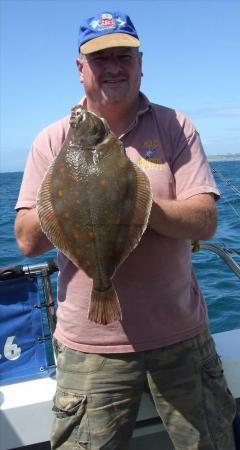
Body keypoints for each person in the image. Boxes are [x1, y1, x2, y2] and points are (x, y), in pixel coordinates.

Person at [15, 10, 237, 450]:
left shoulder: (177, 127)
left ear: (139, 63)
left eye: (123, 56)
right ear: (80, 70)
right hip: (89, 349)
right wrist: (69, 191)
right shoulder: (51, 142)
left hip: (180, 335)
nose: (113, 66)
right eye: (100, 59)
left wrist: (135, 204)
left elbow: (206, 221)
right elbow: (25, 239)